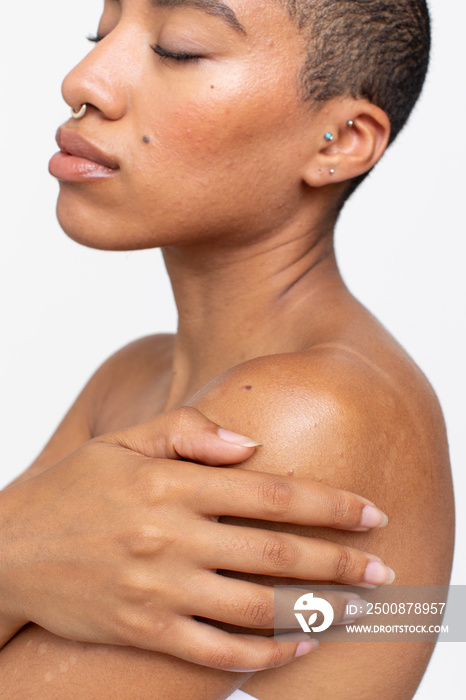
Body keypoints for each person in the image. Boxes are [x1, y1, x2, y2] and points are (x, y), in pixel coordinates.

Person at [0, 0, 455, 698]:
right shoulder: (131, 378)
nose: (85, 79)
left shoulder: (302, 416)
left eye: (179, 49)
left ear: (339, 140)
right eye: (101, 29)